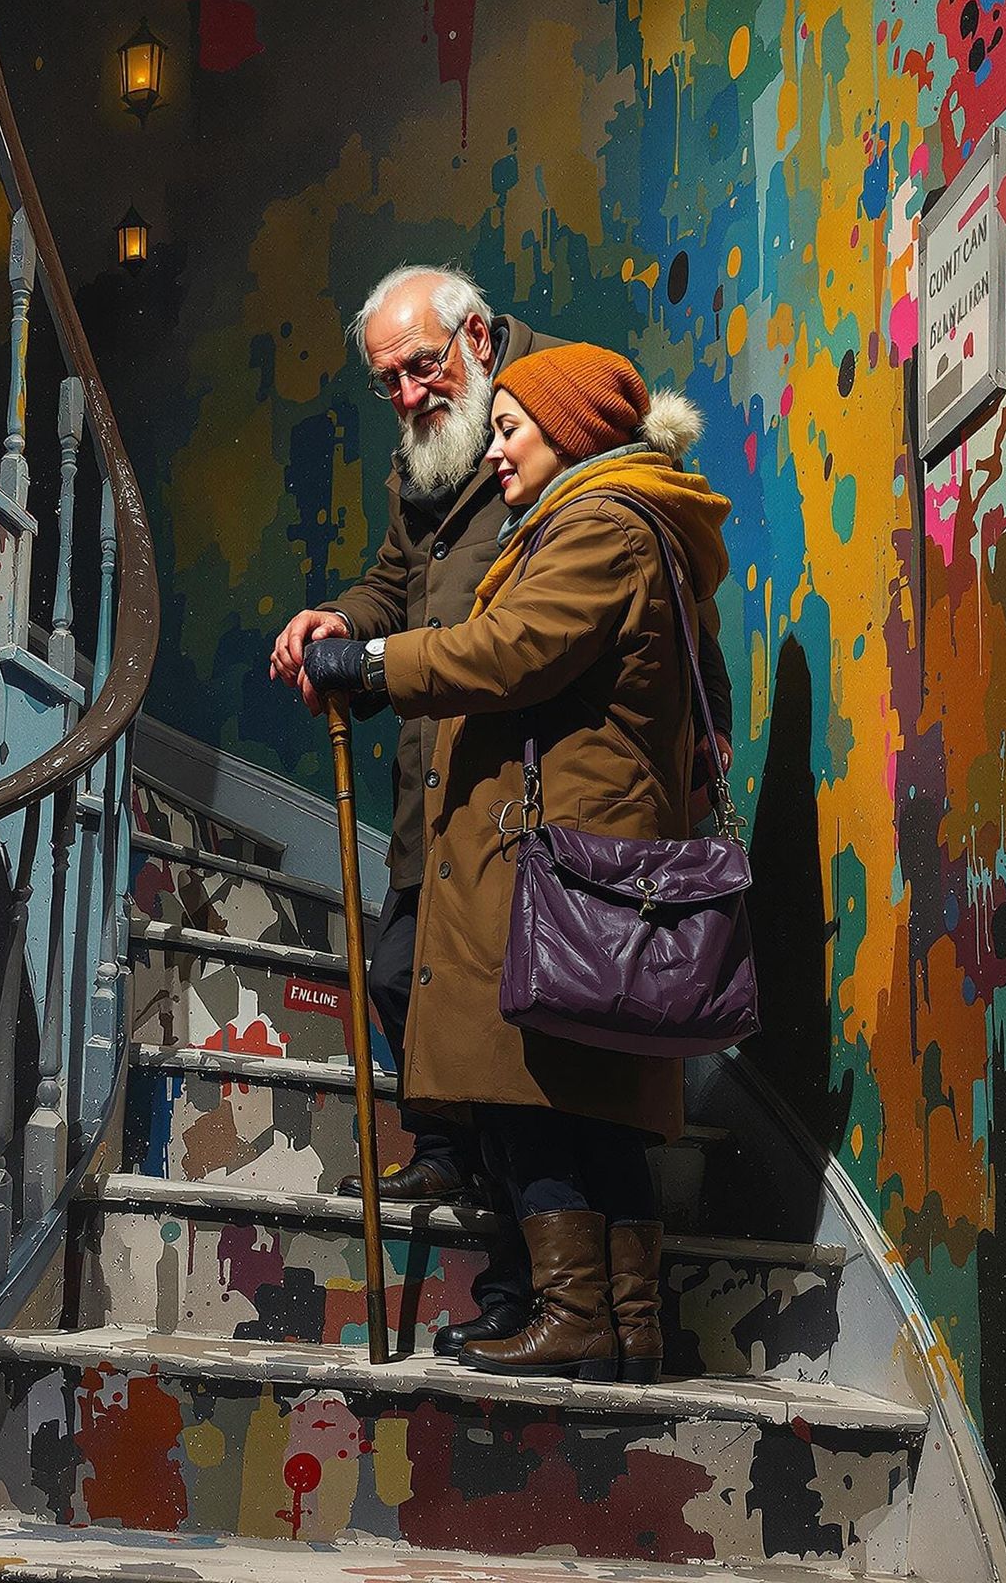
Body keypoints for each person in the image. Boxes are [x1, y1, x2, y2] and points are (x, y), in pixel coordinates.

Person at [270, 268, 733, 1361]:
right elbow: (406, 580)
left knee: (543, 1075)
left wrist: (371, 665)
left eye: (421, 368)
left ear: (477, 341)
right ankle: (611, 1319)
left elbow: (512, 646)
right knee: (543, 1068)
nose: (487, 450)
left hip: (550, 824)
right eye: (385, 379)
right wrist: (347, 621)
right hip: (483, 804)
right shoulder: (520, 476)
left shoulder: (591, 502)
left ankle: (566, 1308)